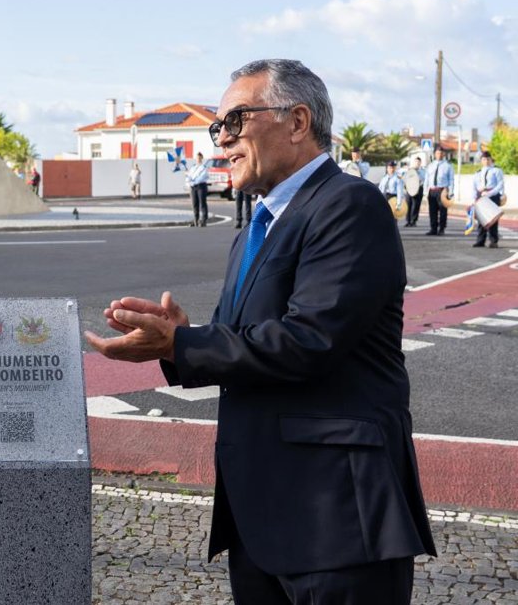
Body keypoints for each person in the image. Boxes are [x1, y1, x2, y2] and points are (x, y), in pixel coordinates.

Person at [85, 59, 435, 604]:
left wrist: (182, 344)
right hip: (261, 516)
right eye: (217, 126)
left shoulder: (349, 204)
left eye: (235, 121)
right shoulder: (258, 223)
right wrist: (182, 335)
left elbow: (309, 340)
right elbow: (243, 341)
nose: (222, 140)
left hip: (337, 516)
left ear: (297, 122)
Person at [471, 150, 505, 248]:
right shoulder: (478, 173)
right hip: (481, 197)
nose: (486, 161)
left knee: (493, 219)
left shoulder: (496, 170)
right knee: (481, 219)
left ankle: (493, 241)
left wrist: (490, 193)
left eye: (487, 159)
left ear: (491, 160)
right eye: (484, 159)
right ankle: (480, 240)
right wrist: (474, 198)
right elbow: (474, 186)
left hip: (493, 196)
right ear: (481, 160)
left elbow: (500, 185)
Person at [425, 144, 454, 235]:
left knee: (443, 211)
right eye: (437, 153)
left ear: (443, 154)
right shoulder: (430, 165)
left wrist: (451, 192)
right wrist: (426, 191)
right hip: (432, 190)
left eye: (441, 153)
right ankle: (433, 228)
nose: (439, 155)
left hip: (443, 190)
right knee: (432, 211)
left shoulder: (448, 166)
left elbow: (451, 179)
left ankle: (441, 229)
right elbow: (427, 179)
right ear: (434, 154)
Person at [185, 152, 209, 226]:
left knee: (202, 203)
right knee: (194, 204)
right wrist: (188, 178)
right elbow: (189, 176)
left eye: (199, 158)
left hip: (201, 186)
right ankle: (196, 220)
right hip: (193, 187)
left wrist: (192, 181)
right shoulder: (193, 167)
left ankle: (203, 220)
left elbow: (201, 178)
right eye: (197, 158)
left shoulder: (204, 167)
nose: (198, 159)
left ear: (201, 158)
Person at [403, 156, 425, 227]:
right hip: (410, 189)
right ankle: (408, 221)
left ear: (420, 163)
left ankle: (413, 221)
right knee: (408, 205)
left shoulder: (422, 171)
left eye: (418, 162)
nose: (417, 163)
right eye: (416, 162)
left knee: (416, 205)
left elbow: (423, 179)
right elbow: (405, 178)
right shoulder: (410, 170)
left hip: (419, 189)